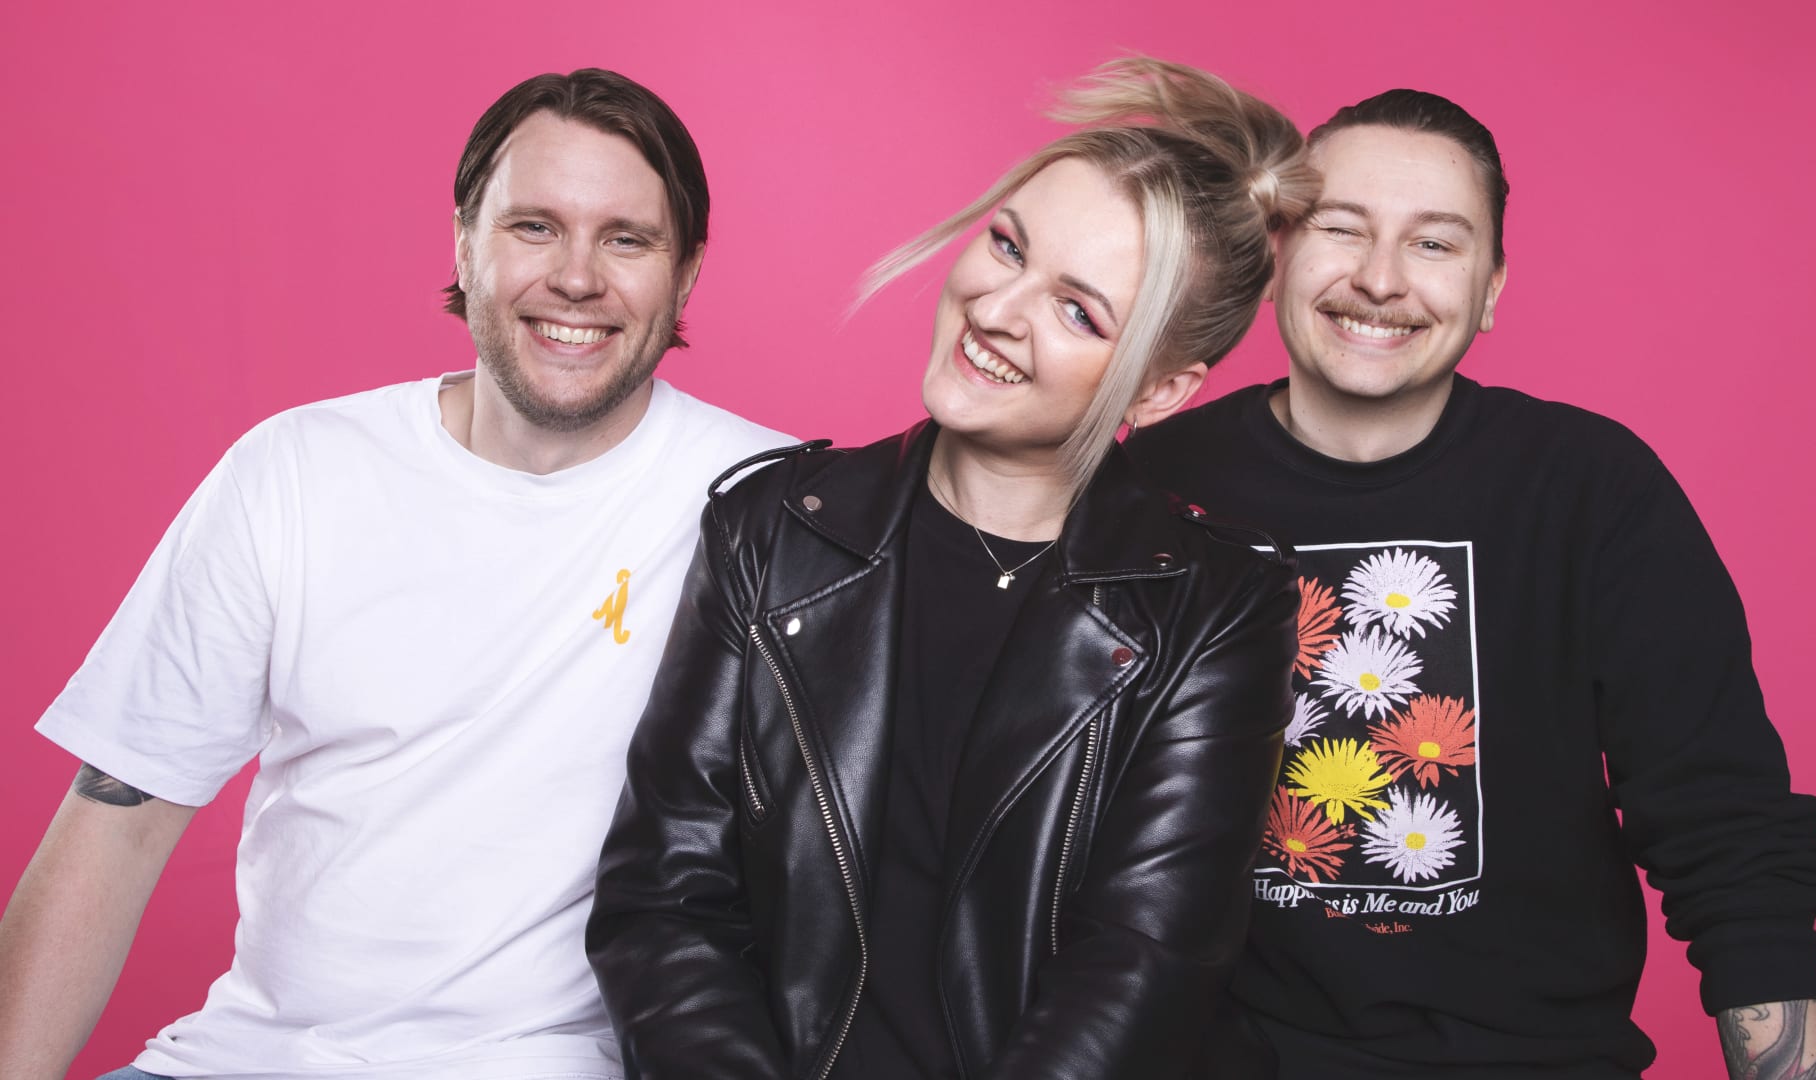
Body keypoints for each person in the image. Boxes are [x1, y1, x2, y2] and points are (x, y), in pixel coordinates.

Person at [0, 68, 786, 1080]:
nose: (576, 278)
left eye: (626, 239)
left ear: (686, 273)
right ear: (463, 240)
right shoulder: (294, 473)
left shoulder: (765, 509)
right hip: (244, 1060)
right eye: (534, 227)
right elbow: (121, 820)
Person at [585, 57, 1314, 1079]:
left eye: (1079, 311)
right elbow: (664, 901)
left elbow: (1143, 964)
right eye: (1008, 245)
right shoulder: (771, 531)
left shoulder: (1218, 610)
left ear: (1159, 390)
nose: (998, 308)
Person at [1127, 89, 1816, 1078]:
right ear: (1279, 251)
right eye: (1342, 228)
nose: (1380, 279)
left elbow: (1730, 834)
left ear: (1492, 289)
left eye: (1434, 244)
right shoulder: (1152, 489)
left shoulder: (1591, 488)